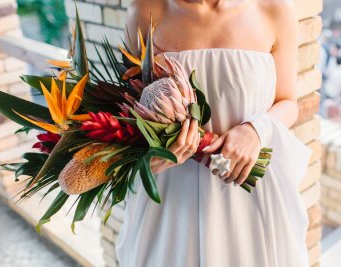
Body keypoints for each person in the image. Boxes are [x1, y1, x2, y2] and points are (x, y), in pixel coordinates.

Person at [115, 1, 313, 266]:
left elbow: (288, 102)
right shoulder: (145, 11)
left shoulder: (275, 10)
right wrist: (150, 157)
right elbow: (131, 108)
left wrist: (256, 130)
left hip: (249, 192)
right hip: (171, 196)